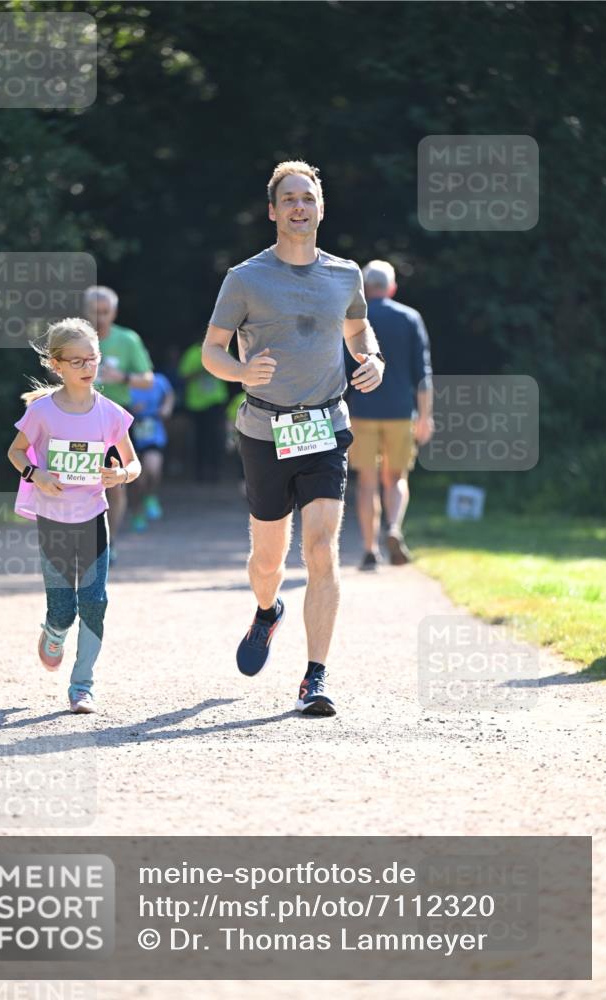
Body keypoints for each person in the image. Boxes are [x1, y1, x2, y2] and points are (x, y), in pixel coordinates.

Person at [202, 160, 384, 717]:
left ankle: (316, 677)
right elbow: (212, 350)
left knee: (322, 547)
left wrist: (370, 357)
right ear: (273, 211)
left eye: (308, 197)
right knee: (267, 560)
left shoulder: (346, 275)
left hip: (326, 425)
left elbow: (356, 329)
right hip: (265, 428)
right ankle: (266, 611)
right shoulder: (245, 278)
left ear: (321, 207)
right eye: (289, 199)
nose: (299, 207)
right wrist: (240, 371)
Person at [7, 317, 141, 714]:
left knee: (95, 602)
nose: (87, 368)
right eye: (77, 361)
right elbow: (15, 452)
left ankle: (82, 686)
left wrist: (119, 474)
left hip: (93, 516)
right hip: (53, 520)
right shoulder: (43, 412)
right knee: (64, 609)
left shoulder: (112, 413)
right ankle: (53, 630)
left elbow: (133, 465)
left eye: (93, 359)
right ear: (56, 364)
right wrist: (37, 474)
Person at [348, 260, 433, 570]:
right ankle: (394, 527)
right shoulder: (410, 318)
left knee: (367, 482)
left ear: (365, 288)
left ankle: (370, 550)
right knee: (396, 477)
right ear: (393, 287)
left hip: (362, 411)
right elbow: (423, 373)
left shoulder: (356, 320)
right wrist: (425, 416)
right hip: (400, 412)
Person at [84, 285, 153, 562]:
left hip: (114, 419)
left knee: (114, 484)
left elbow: (148, 380)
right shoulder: (73, 337)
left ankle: (107, 544)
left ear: (114, 312)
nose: (100, 318)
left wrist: (122, 378)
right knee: (77, 483)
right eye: (94, 312)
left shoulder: (127, 340)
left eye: (105, 312)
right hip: (78, 416)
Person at [127, 372, 175, 531]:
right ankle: (137, 512)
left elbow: (169, 394)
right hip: (129, 435)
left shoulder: (159, 380)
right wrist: (129, 410)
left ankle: (151, 496)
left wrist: (166, 408)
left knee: (153, 469)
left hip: (153, 432)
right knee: (136, 482)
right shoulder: (122, 380)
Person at [178, 342, 228, 482]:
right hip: (197, 404)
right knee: (201, 439)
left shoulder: (223, 350)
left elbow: (234, 370)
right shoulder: (192, 353)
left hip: (216, 402)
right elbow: (183, 376)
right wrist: (202, 370)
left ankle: (215, 471)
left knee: (216, 438)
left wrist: (215, 369)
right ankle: (200, 472)